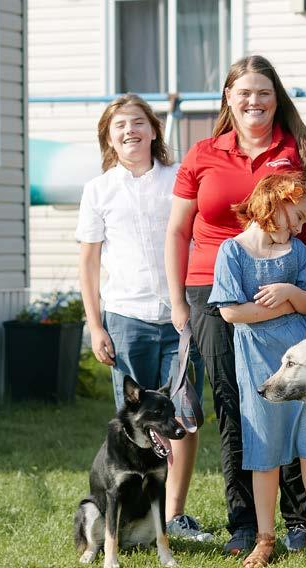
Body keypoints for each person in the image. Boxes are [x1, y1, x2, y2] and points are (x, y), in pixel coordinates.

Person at [165, 55, 306, 556]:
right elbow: (178, 230)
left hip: (290, 300)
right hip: (214, 291)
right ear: (228, 97)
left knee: (298, 401)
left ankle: (302, 523)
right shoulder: (203, 153)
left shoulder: (302, 151)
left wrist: (297, 273)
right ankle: (247, 526)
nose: (254, 101)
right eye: (244, 92)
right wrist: (178, 301)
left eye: (264, 92)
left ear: (277, 98)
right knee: (235, 405)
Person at [76, 94, 212, 542]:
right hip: (126, 318)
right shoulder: (98, 190)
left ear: (154, 130)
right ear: (108, 138)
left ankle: (173, 515)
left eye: (138, 122)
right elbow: (88, 263)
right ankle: (135, 521)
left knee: (183, 415)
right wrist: (96, 326)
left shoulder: (178, 178)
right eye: (119, 125)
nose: (129, 130)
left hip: (180, 316)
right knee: (137, 422)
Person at [207, 172, 306, 568]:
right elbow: (231, 312)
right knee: (264, 453)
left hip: (303, 367)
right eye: (297, 216)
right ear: (272, 204)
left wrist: (290, 293)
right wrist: (284, 306)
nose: (300, 226)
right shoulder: (232, 252)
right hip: (258, 363)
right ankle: (265, 537)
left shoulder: (298, 253)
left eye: (305, 220)